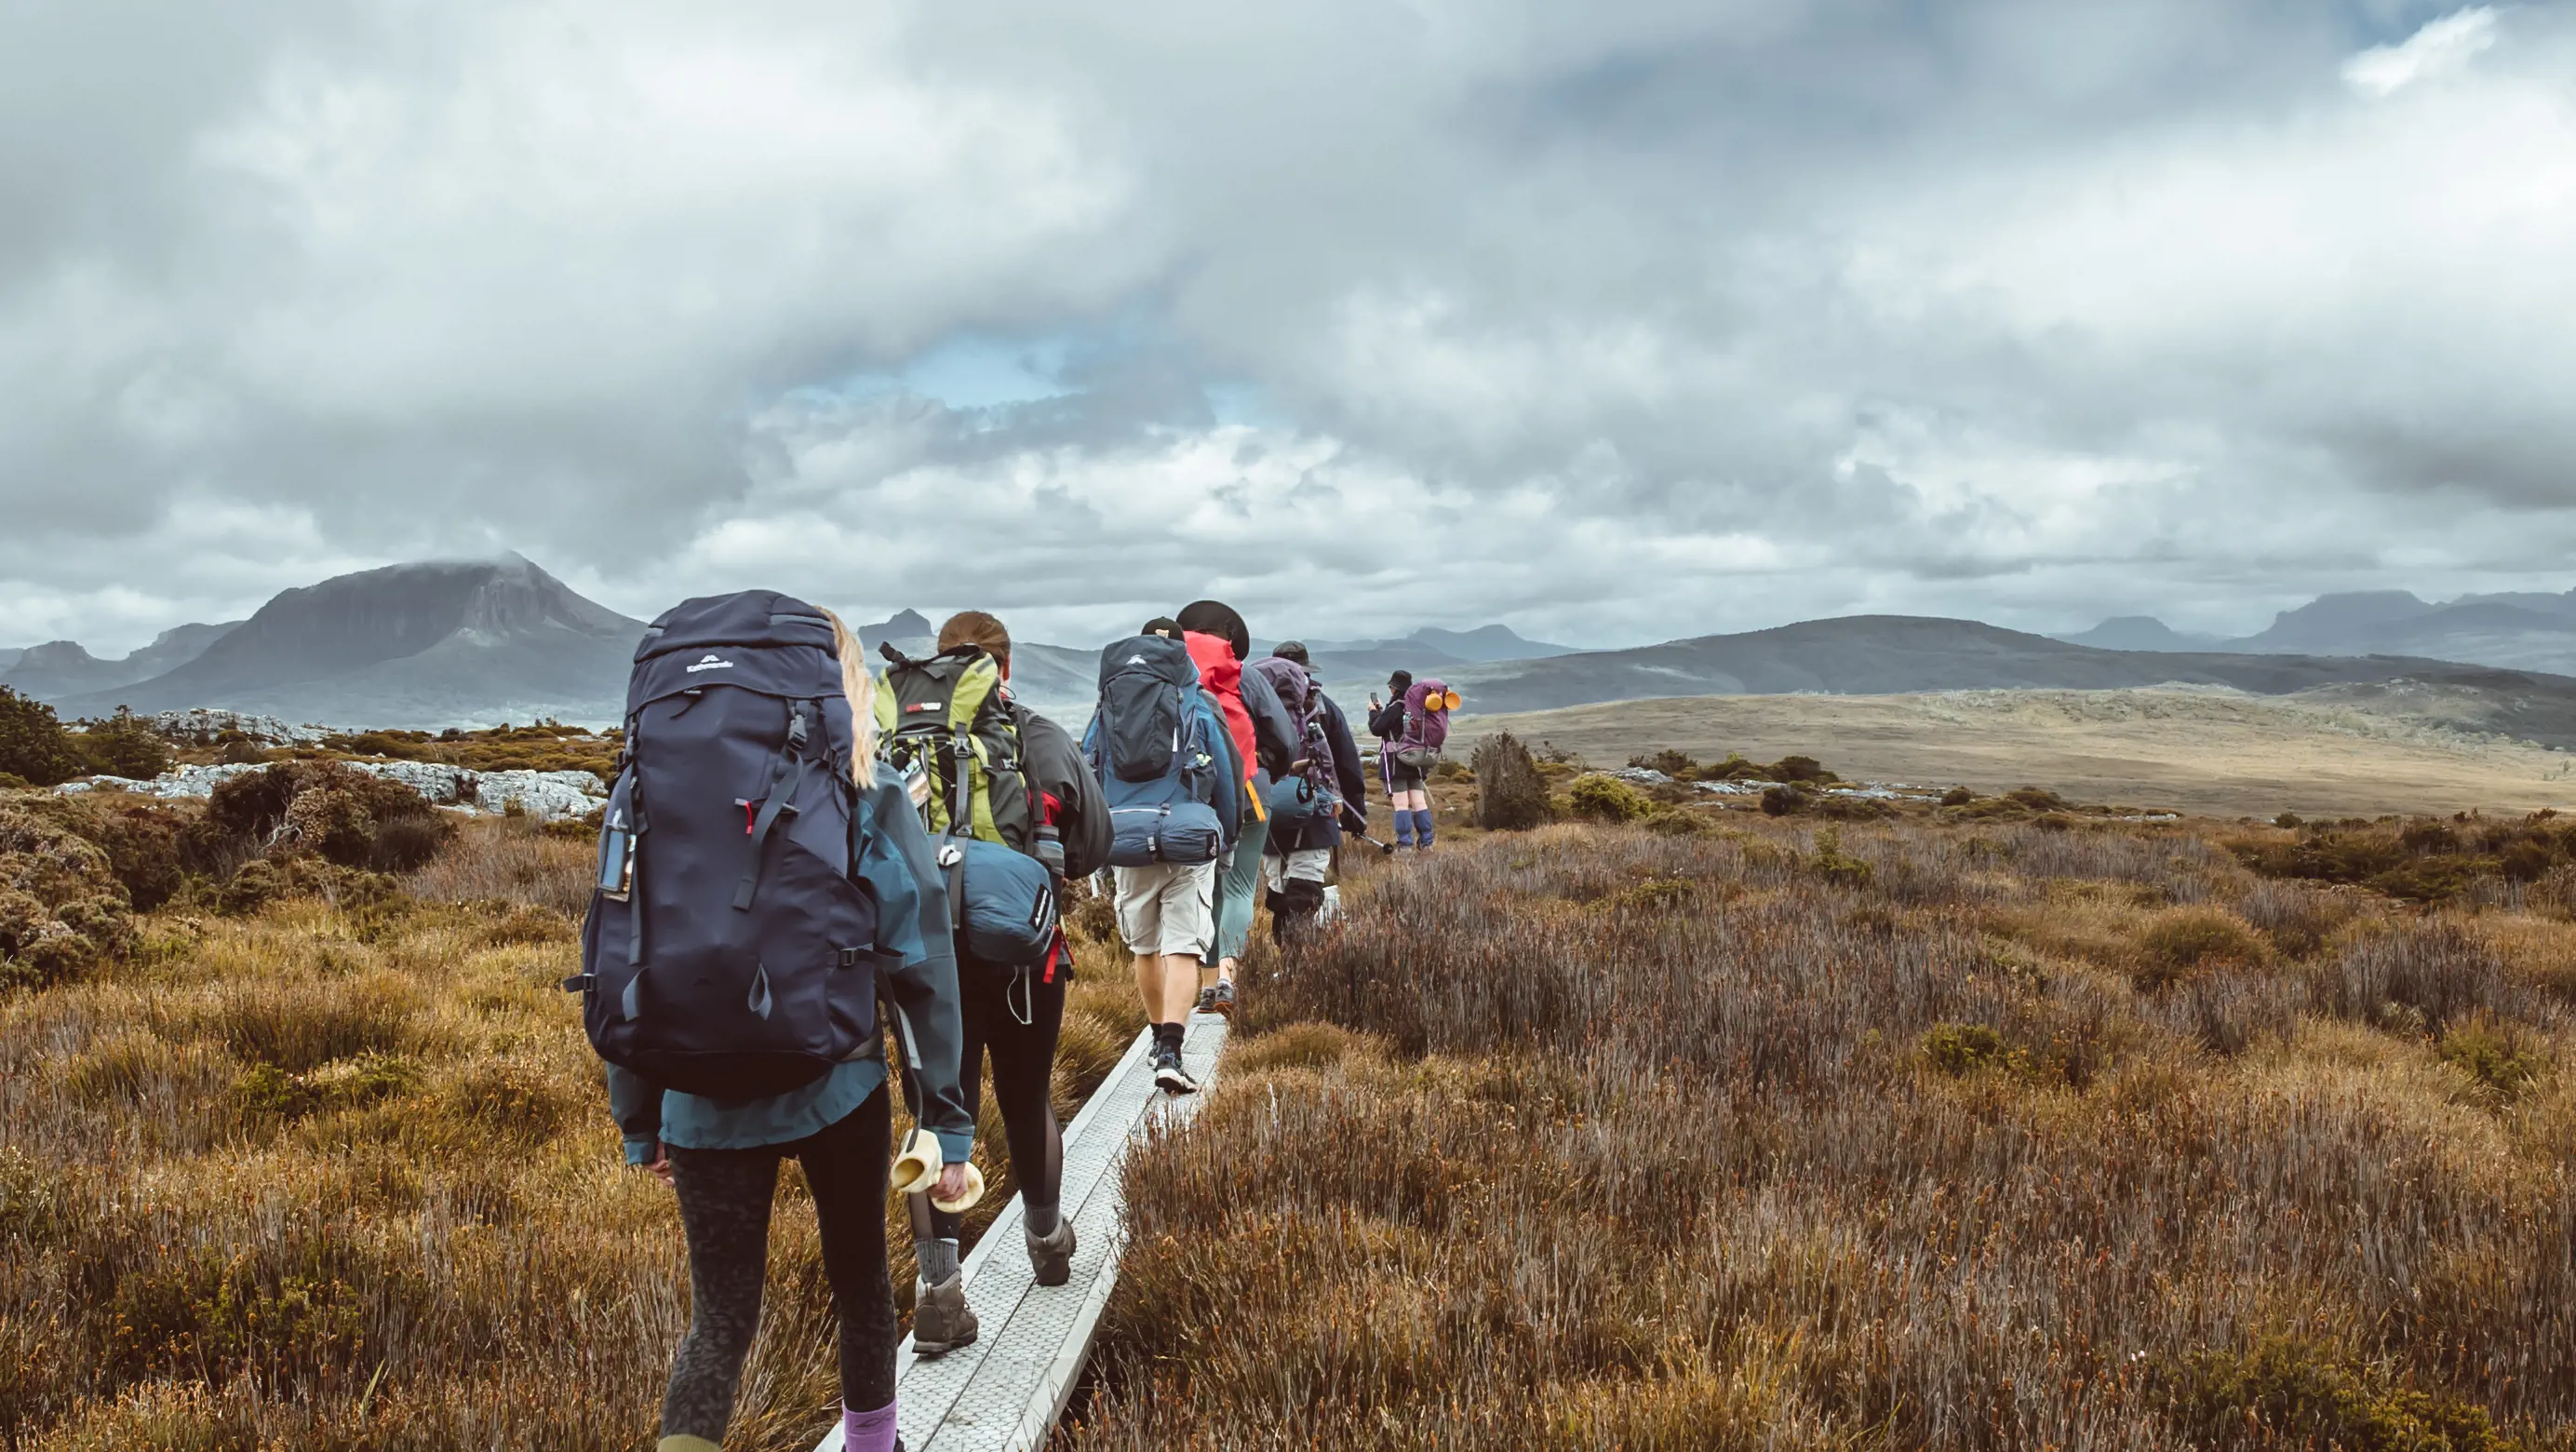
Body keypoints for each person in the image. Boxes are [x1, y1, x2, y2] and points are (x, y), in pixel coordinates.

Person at [608, 611, 975, 1452]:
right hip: (838, 1082)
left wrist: (641, 1120)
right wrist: (946, 1121)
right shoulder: (864, 788)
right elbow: (920, 964)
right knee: (860, 1287)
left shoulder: (649, 792)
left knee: (720, 1322)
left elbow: (625, 951)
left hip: (697, 1098)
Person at [907, 611, 1111, 1335]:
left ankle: (939, 1296)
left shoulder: (900, 740)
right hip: (1025, 958)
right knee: (1025, 1097)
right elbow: (1093, 839)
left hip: (921, 960)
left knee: (939, 1113)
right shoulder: (1038, 733)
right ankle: (1048, 1242)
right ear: (1005, 666)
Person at [1093, 617, 1242, 1093]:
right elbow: (1226, 771)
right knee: (1183, 944)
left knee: (1144, 946)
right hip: (1187, 835)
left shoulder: (1109, 704)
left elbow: (1088, 763)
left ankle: (1157, 1038)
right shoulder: (1199, 702)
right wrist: (1228, 835)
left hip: (1126, 838)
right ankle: (1172, 1051)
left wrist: (1094, 838)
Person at [1174, 599, 1296, 1018]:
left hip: (1186, 794)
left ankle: (1206, 987)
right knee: (1240, 885)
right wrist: (1270, 769)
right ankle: (1228, 975)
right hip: (1246, 784)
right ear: (1228, 637)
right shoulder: (1242, 673)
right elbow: (1284, 736)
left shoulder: (1163, 672)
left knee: (1203, 888)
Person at [1250, 641, 1368, 941]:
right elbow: (1346, 761)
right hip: (1312, 804)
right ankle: (1297, 963)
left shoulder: (1251, 707)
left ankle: (1286, 957)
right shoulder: (1323, 706)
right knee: (1305, 886)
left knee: (1278, 886)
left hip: (1266, 807)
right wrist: (1356, 812)